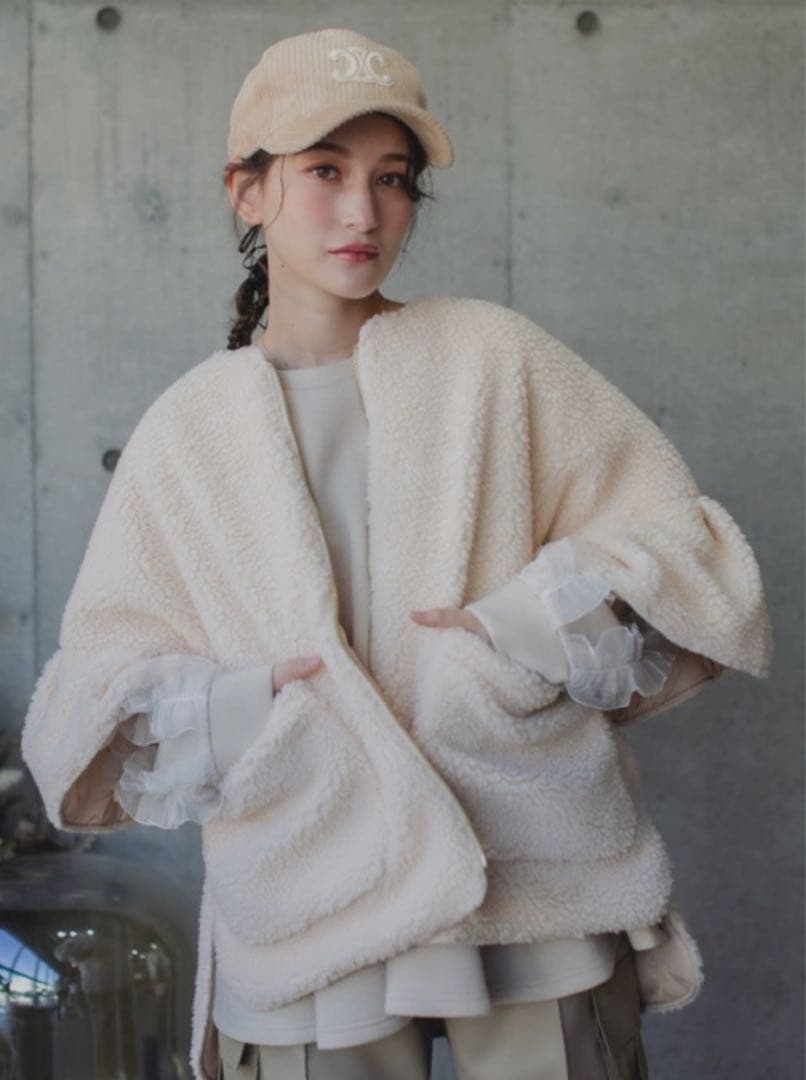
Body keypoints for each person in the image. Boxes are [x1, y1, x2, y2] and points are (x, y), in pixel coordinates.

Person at [21, 27, 773, 1080]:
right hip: (310, 884)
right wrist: (253, 712)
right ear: (246, 192)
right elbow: (92, 690)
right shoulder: (187, 434)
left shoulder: (494, 356)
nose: (362, 213)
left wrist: (508, 642)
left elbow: (684, 549)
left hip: (534, 868)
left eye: (391, 178)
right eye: (324, 171)